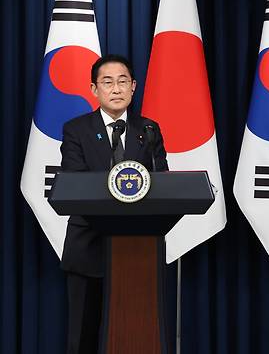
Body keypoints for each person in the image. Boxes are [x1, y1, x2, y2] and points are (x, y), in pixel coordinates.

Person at [60, 54, 168, 354]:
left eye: (123, 82)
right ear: (94, 89)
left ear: (133, 87)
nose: (116, 89)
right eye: (107, 82)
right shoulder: (76, 129)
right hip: (88, 245)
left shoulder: (148, 130)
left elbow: (162, 181)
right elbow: (75, 181)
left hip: (138, 250)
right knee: (83, 337)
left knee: (136, 336)